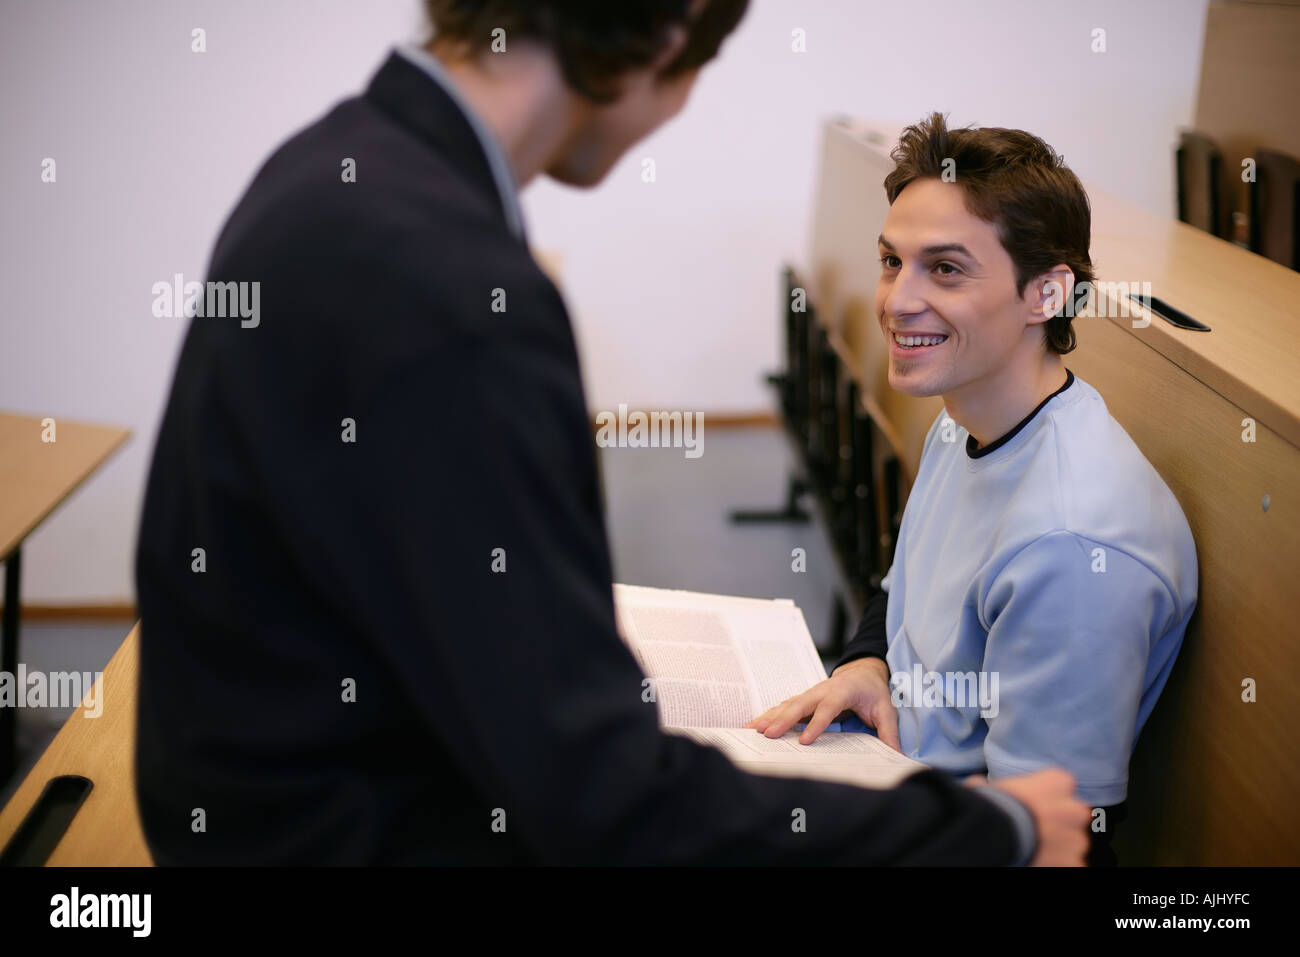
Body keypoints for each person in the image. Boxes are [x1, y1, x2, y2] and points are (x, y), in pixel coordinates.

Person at [135, 3, 1089, 865]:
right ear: (670, 34)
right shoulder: (452, 287)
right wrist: (982, 835)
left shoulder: (335, 163)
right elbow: (603, 801)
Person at [750, 112, 1198, 866]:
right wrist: (867, 662)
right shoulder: (961, 423)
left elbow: (1052, 838)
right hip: (895, 772)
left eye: (946, 269)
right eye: (893, 261)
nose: (895, 300)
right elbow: (904, 586)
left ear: (1046, 295)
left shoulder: (1072, 540)